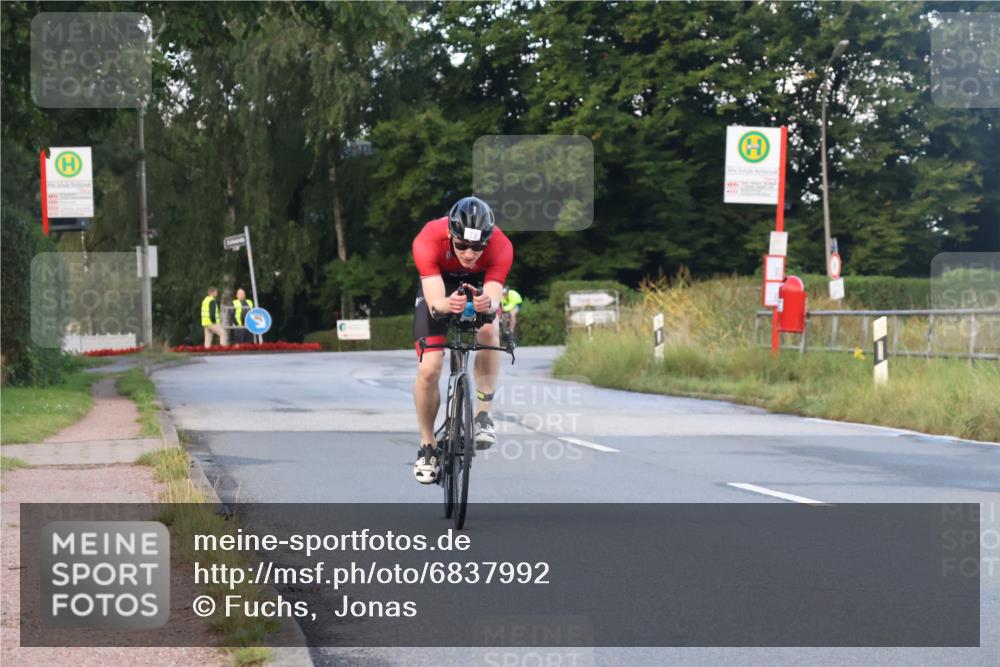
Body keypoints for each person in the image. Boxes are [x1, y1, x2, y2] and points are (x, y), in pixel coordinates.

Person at [411, 196, 513, 484]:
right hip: (441, 287)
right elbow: (434, 302)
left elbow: (493, 297)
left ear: (488, 241)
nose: (469, 254)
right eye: (462, 246)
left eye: (478, 247)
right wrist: (446, 305)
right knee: (429, 367)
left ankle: (483, 414)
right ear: (450, 235)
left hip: (479, 286)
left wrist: (487, 305)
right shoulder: (428, 238)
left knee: (490, 332)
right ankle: (428, 445)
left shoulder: (502, 246)